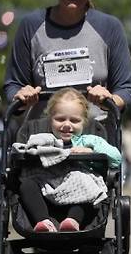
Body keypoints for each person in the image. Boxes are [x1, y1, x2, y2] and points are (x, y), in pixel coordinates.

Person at [3, 0, 131, 111]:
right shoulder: (30, 25)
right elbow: (13, 86)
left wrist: (109, 100)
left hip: (96, 134)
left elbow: (126, 89)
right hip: (42, 134)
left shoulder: (110, 27)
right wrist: (21, 96)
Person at [17, 88, 121, 233]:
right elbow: (25, 150)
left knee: (92, 190)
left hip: (79, 191)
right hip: (47, 187)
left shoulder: (90, 140)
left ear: (84, 122)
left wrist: (91, 151)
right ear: (50, 118)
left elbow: (116, 159)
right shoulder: (45, 139)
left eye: (74, 120)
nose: (67, 124)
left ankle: (72, 221)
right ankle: (43, 222)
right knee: (26, 184)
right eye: (60, 119)